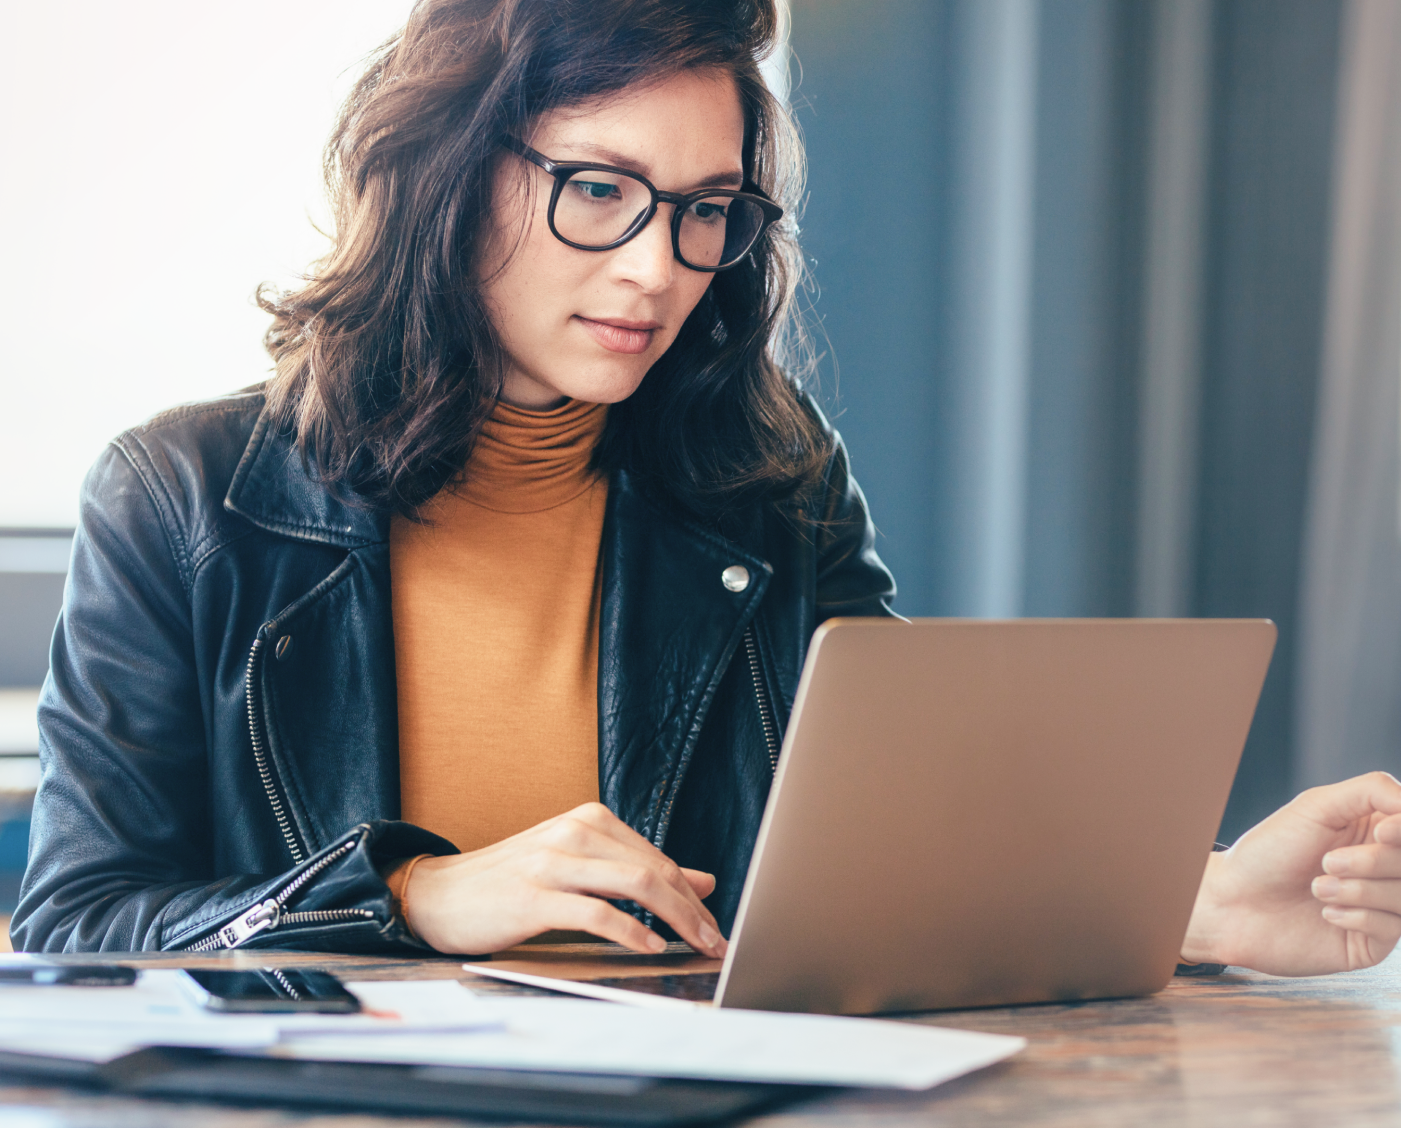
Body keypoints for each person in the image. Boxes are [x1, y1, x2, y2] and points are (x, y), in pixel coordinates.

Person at [11, 0, 1401, 980]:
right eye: (600, 191)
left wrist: (1204, 903)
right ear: (451, 175)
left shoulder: (771, 485)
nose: (657, 268)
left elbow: (903, 858)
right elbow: (77, 924)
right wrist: (413, 897)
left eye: (704, 208)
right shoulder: (185, 499)